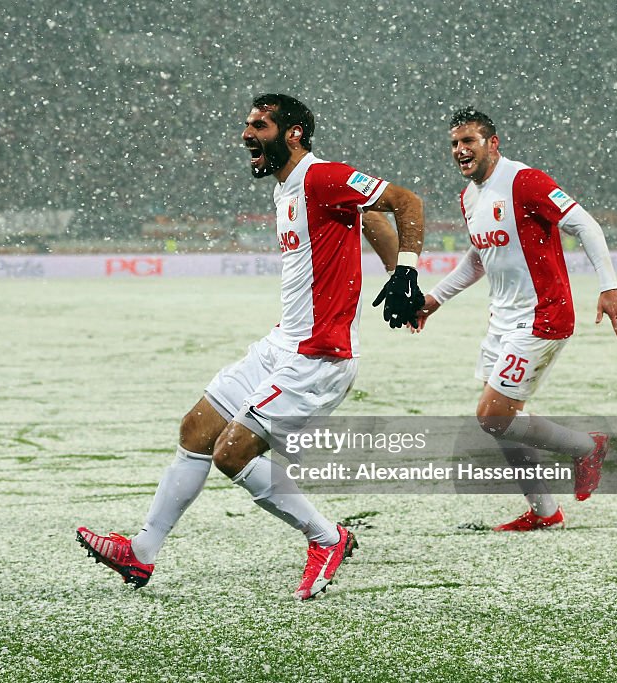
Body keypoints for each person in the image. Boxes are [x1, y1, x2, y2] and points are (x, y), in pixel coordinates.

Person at [77, 93, 426, 600]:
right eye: (246, 124)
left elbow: (404, 202)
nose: (246, 135)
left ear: (294, 134)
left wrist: (408, 272)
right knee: (197, 428)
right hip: (281, 342)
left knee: (232, 452)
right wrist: (397, 276)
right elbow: (368, 217)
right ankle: (142, 552)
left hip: (319, 356)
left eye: (258, 126)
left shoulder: (320, 175)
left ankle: (327, 538)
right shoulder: (290, 188)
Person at [414, 107, 617, 531]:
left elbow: (585, 225)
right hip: (502, 320)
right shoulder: (470, 197)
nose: (460, 151)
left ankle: (587, 447)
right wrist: (435, 299)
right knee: (503, 423)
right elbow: (478, 259)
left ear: (492, 143)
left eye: (469, 142)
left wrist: (609, 286)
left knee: (492, 416)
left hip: (543, 316)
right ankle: (545, 513)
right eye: (455, 144)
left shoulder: (524, 181)